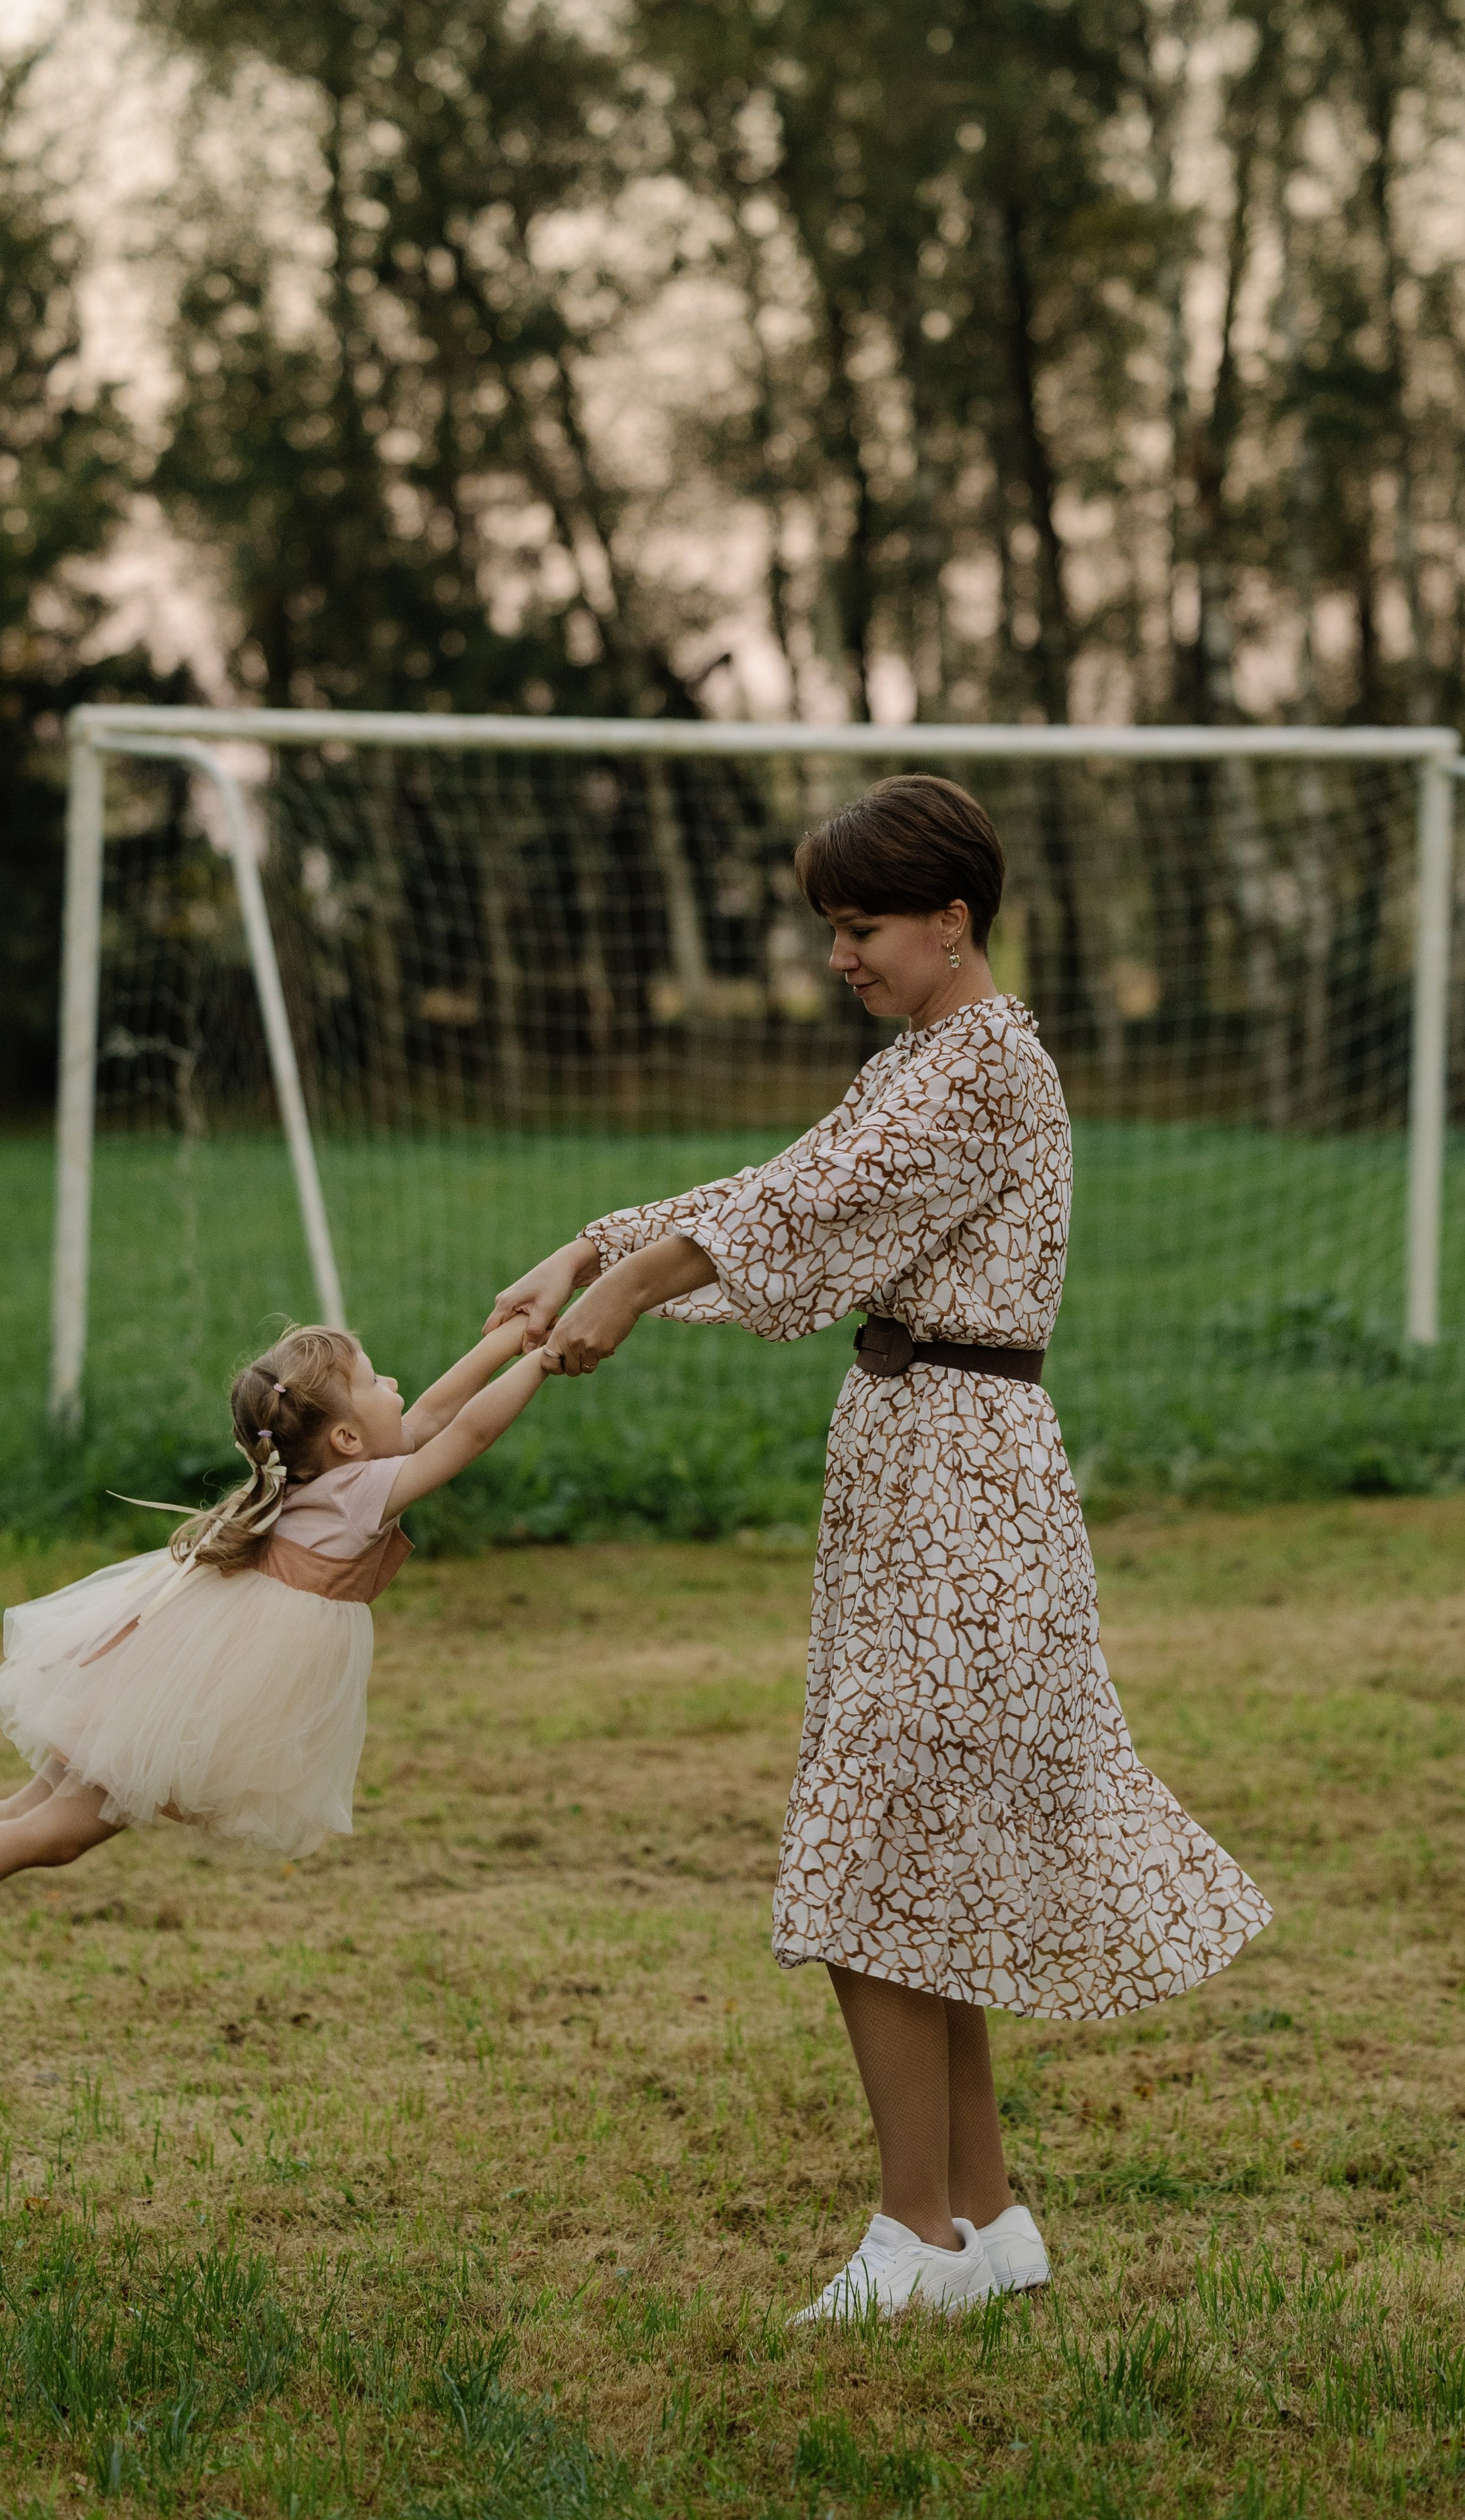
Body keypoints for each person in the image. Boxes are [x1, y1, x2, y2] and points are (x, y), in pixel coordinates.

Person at [487, 772, 1271, 2322]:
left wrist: (633, 1284)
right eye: (831, 928)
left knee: (868, 1859)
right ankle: (982, 2221)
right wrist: (593, 1241)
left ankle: (911, 2235)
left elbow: (814, 1206)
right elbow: (780, 1187)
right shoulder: (920, 1060)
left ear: (949, 922)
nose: (839, 953)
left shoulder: (986, 1072)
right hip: (909, 1474)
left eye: (861, 927)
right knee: (909, 1858)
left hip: (966, 1487)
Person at [0, 1319, 549, 2020]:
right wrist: (540, 1361)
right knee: (62, 1831)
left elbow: (427, 1419)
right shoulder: (362, 1491)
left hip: (167, 1658)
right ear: (345, 1437)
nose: (395, 1386)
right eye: (374, 1379)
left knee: (34, 1804)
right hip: (193, 1681)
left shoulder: (338, 1476)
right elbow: (465, 1433)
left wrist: (509, 1340)